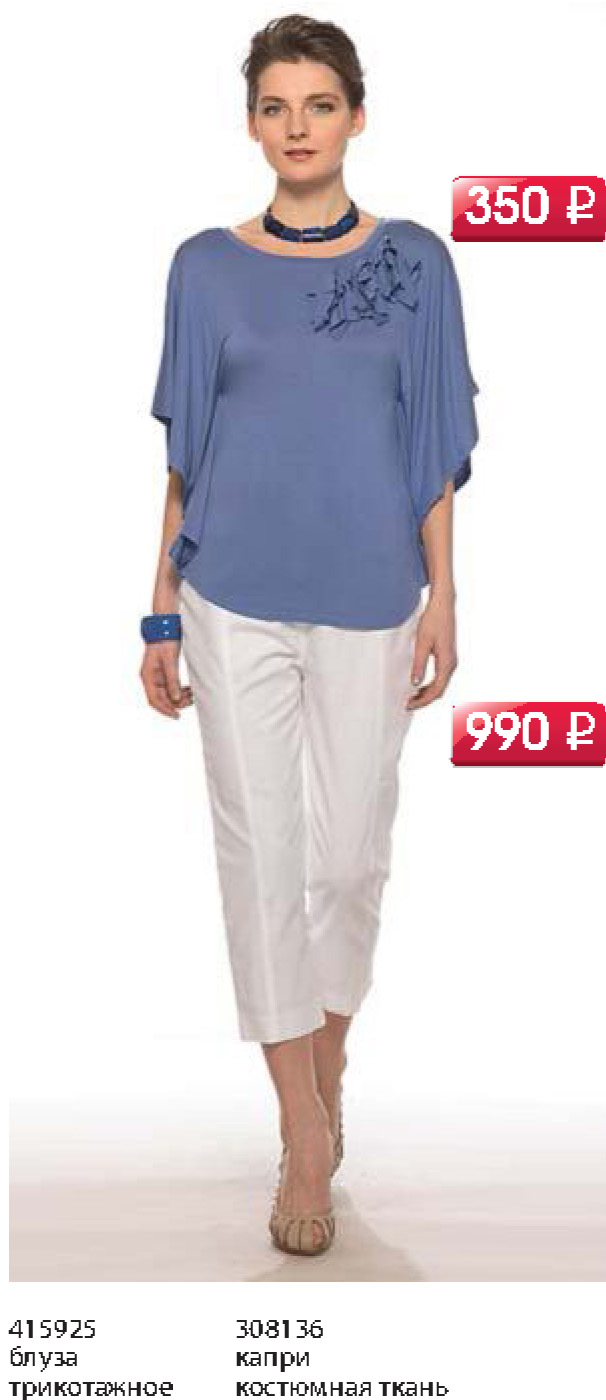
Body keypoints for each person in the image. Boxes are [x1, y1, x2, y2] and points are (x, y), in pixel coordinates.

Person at [140, 15, 480, 1258]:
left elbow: (432, 438)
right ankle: (301, 1127)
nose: (297, 125)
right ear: (251, 122)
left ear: (356, 116)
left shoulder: (416, 262)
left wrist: (445, 595)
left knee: (345, 862)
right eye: (276, 105)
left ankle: (325, 1069)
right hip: (229, 594)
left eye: (319, 103)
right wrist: (159, 607)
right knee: (260, 853)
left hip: (374, 593)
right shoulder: (202, 268)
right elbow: (186, 454)